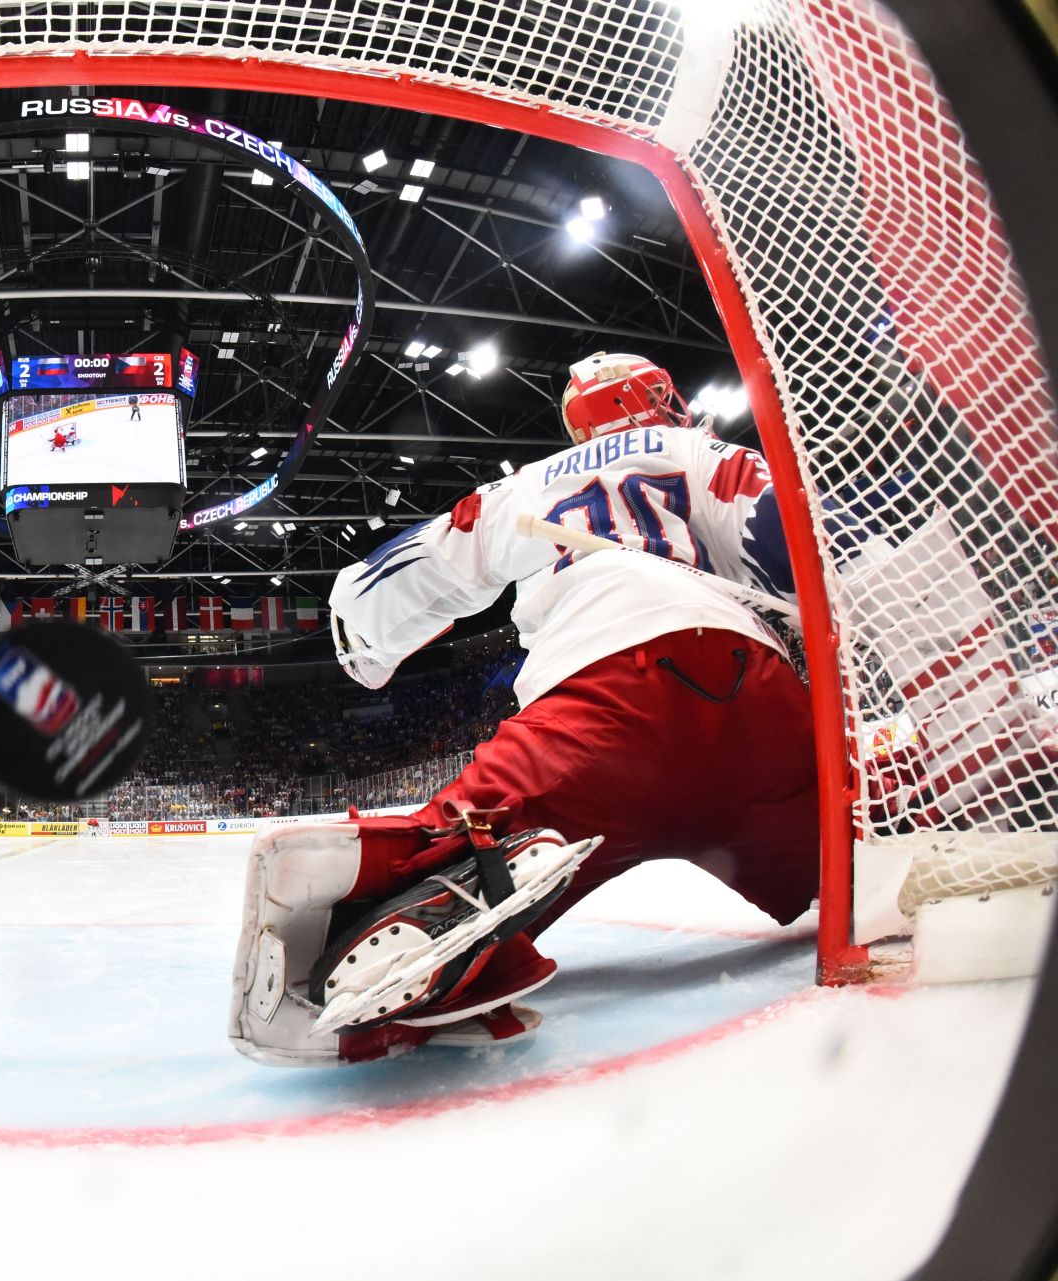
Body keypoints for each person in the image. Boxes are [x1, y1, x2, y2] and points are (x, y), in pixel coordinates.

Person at [230, 352, 815, 1066]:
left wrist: (368, 647)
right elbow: (804, 541)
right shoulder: (702, 450)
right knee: (847, 863)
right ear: (664, 397)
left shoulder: (527, 487)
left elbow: (406, 574)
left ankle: (409, 892)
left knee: (465, 840)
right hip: (751, 698)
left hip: (604, 695)